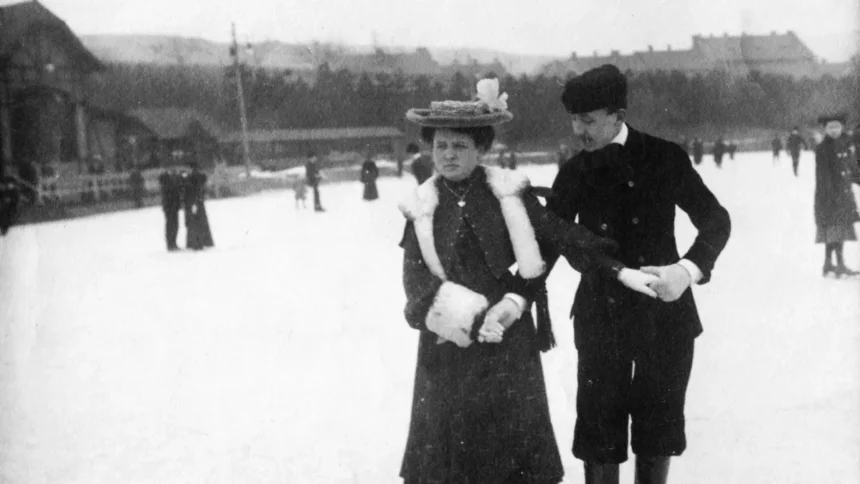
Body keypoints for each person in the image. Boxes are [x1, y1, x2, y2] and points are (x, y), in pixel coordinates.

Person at [397, 78, 659, 484]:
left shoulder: (509, 194)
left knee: (511, 451)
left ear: (482, 149)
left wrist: (617, 269)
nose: (448, 154)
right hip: (447, 345)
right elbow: (415, 285)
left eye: (460, 146)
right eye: (441, 145)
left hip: (507, 341)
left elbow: (560, 236)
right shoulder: (421, 208)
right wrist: (468, 319)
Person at [550, 64, 732, 484]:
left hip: (665, 316)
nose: (578, 130)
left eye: (588, 120)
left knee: (658, 428)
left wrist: (686, 270)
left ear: (618, 115)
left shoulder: (664, 157)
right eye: (574, 119)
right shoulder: (573, 172)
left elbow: (716, 220)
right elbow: (551, 241)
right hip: (601, 317)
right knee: (598, 431)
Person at [814, 113, 859, 277]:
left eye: (837, 127)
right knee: (836, 230)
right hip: (830, 196)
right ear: (825, 129)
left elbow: (852, 170)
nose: (834, 130)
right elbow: (823, 176)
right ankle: (839, 264)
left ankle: (828, 263)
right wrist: (831, 196)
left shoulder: (846, 145)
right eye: (830, 127)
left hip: (844, 194)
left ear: (842, 128)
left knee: (836, 230)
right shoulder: (823, 148)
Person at [183, 163, 214, 251]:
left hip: (194, 202)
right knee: (198, 223)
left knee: (194, 223)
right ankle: (200, 242)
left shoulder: (191, 178)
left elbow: (192, 191)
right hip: (197, 202)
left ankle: (196, 242)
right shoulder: (196, 177)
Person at [158, 169, 182, 251]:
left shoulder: (168, 184)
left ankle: (172, 243)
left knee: (173, 225)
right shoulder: (167, 185)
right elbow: (173, 193)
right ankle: (171, 244)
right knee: (171, 226)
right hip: (170, 207)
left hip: (172, 207)